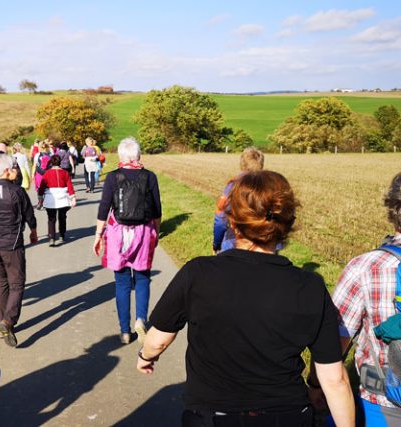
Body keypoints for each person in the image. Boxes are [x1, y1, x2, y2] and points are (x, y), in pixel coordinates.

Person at [138, 170, 354, 427]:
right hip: (288, 416)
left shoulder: (198, 273)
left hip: (212, 417)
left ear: (232, 221)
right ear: (287, 224)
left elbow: (159, 340)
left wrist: (146, 356)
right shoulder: (310, 286)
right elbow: (335, 379)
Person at [331, 172, 401, 425]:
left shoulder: (365, 267)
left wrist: (317, 385)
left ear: (393, 210)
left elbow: (334, 341)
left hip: (382, 405)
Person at [93, 138, 161, 345]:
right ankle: (141, 319)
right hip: (142, 231)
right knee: (142, 278)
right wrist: (155, 232)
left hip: (118, 234)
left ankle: (124, 331)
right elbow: (157, 209)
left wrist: (98, 234)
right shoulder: (149, 177)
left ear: (121, 157)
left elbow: (104, 208)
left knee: (122, 283)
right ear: (138, 156)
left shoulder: (113, 177)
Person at [0, 154, 38, 347]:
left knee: (1, 282)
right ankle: (8, 321)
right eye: (14, 167)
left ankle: (0, 323)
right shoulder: (18, 192)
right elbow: (29, 214)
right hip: (12, 246)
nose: (17, 170)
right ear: (6, 171)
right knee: (17, 284)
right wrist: (34, 231)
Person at [213, 147, 264, 254]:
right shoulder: (271, 185)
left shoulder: (233, 186)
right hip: (265, 246)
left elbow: (221, 220)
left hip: (235, 244)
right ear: (261, 164)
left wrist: (216, 244)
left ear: (242, 163)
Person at [37, 155, 76, 246]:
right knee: (62, 217)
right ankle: (62, 235)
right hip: (63, 197)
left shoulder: (47, 173)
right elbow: (70, 186)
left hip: (51, 198)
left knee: (51, 219)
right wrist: (73, 197)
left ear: (51, 162)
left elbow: (42, 187)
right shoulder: (65, 173)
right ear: (60, 162)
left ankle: (52, 238)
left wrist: (40, 197)